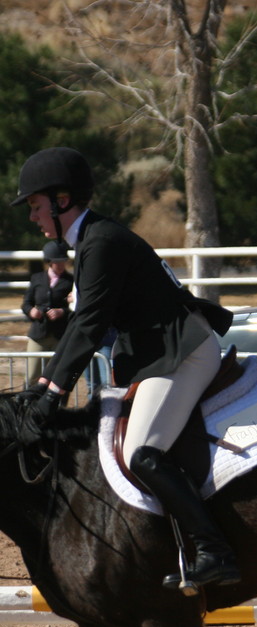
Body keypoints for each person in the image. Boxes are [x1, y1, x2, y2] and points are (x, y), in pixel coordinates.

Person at [10, 146, 240, 589]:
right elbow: (81, 325)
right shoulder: (93, 240)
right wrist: (41, 386)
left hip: (183, 351)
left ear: (61, 201)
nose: (32, 217)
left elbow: (90, 326)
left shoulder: (102, 242)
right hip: (161, 352)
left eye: (36, 206)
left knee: (142, 451)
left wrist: (54, 396)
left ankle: (215, 551)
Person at [21, 240, 74, 387]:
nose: (62, 264)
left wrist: (62, 311)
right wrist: (31, 311)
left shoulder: (71, 281)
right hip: (39, 334)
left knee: (58, 375)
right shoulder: (37, 278)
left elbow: (75, 307)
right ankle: (27, 404)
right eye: (58, 261)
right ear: (49, 261)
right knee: (32, 374)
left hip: (60, 335)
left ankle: (57, 407)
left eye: (63, 261)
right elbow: (26, 303)